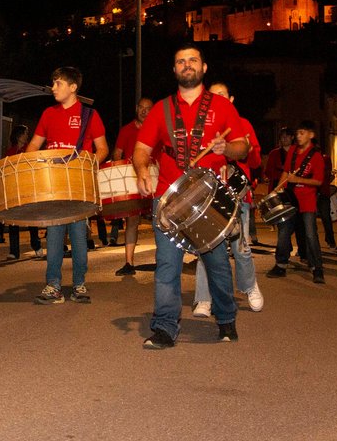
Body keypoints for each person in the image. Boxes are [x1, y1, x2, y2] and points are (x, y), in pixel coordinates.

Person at [134, 45, 249, 348]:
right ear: (174, 70)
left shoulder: (222, 107)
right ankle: (165, 327)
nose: (187, 65)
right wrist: (142, 170)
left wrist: (228, 150)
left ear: (203, 67)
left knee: (217, 265)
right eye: (180, 62)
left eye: (192, 61)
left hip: (208, 198)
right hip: (169, 199)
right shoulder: (161, 108)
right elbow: (142, 149)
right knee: (167, 265)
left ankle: (226, 319)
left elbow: (242, 146)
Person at [28, 66, 108, 305]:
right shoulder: (48, 114)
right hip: (53, 184)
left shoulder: (89, 115)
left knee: (78, 236)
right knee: (53, 235)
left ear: (73, 87)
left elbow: (102, 148)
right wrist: (33, 162)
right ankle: (53, 286)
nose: (53, 88)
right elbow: (33, 145)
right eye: (53, 83)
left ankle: (78, 284)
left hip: (77, 184)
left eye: (58, 83)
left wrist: (87, 163)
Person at [192, 82, 264, 315]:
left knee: (240, 247)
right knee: (206, 247)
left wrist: (247, 149)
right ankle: (204, 298)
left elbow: (255, 163)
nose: (217, 99)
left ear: (230, 99)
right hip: (209, 196)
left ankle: (249, 286)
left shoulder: (242, 124)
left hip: (237, 195)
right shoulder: (201, 127)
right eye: (213, 96)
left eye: (222, 95)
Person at [266, 120, 326, 284]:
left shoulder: (316, 156)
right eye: (298, 133)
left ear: (311, 135)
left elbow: (318, 181)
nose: (298, 137)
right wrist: (277, 189)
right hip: (290, 197)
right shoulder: (292, 151)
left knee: (310, 234)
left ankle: (317, 268)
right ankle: (280, 264)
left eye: (302, 133)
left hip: (307, 200)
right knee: (284, 231)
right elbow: (286, 172)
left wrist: (298, 178)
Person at [112, 97, 154, 276]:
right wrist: (117, 161)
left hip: (153, 178)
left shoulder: (156, 129)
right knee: (132, 221)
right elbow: (117, 153)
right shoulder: (126, 130)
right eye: (141, 108)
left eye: (148, 108)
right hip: (131, 179)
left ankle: (164, 261)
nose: (144, 111)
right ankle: (129, 262)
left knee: (161, 221)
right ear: (137, 109)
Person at [2, 125, 43, 260]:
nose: (27, 136)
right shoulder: (10, 152)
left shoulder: (29, 150)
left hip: (29, 187)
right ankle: (14, 251)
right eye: (25, 133)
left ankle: (36, 245)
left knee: (31, 219)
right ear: (19, 135)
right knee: (14, 220)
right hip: (15, 189)